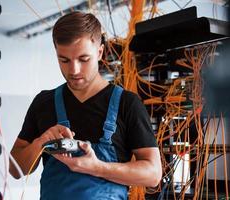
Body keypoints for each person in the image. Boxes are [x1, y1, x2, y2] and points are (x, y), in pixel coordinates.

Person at [9, 11, 162, 200]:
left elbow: (153, 174)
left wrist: (97, 167)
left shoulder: (127, 103)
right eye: (64, 60)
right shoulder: (44, 102)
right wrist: (41, 142)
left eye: (83, 59)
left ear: (99, 52)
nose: (73, 70)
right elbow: (15, 169)